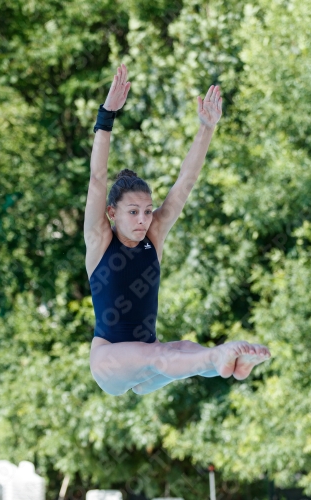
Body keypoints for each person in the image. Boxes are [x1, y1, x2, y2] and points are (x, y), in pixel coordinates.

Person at [84, 63, 271, 396]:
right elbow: (98, 178)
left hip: (149, 364)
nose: (143, 219)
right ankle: (219, 356)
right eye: (133, 212)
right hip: (109, 362)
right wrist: (107, 115)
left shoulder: (152, 236)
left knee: (182, 347)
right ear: (112, 212)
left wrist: (207, 128)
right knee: (161, 356)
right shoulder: (100, 239)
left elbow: (186, 182)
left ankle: (231, 362)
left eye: (146, 211)